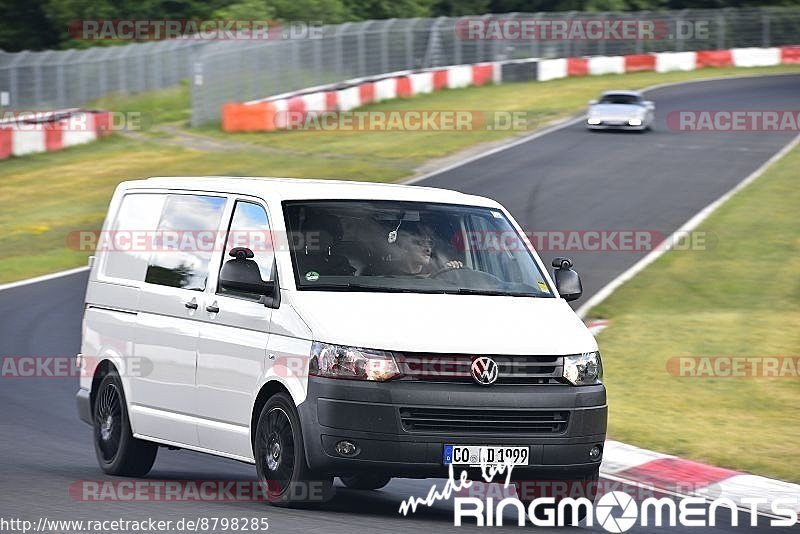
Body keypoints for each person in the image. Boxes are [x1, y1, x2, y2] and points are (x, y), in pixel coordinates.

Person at [374, 223, 463, 276]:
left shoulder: (438, 272)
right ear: (404, 246)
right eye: (420, 243)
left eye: (430, 243)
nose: (428, 249)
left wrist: (453, 270)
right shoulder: (384, 275)